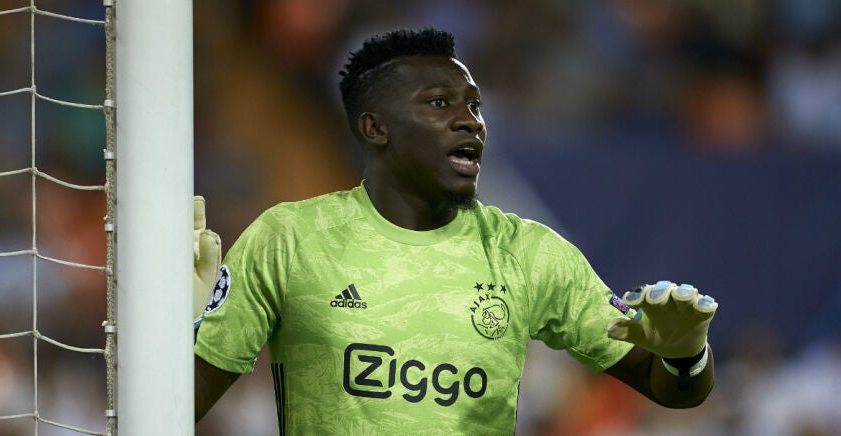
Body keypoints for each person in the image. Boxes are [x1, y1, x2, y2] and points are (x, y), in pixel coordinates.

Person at [192, 27, 718, 434]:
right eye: (440, 103)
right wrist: (179, 330)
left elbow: (674, 390)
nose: (471, 121)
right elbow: (181, 405)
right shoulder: (289, 240)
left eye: (474, 105)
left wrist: (687, 355)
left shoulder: (527, 253)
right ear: (376, 127)